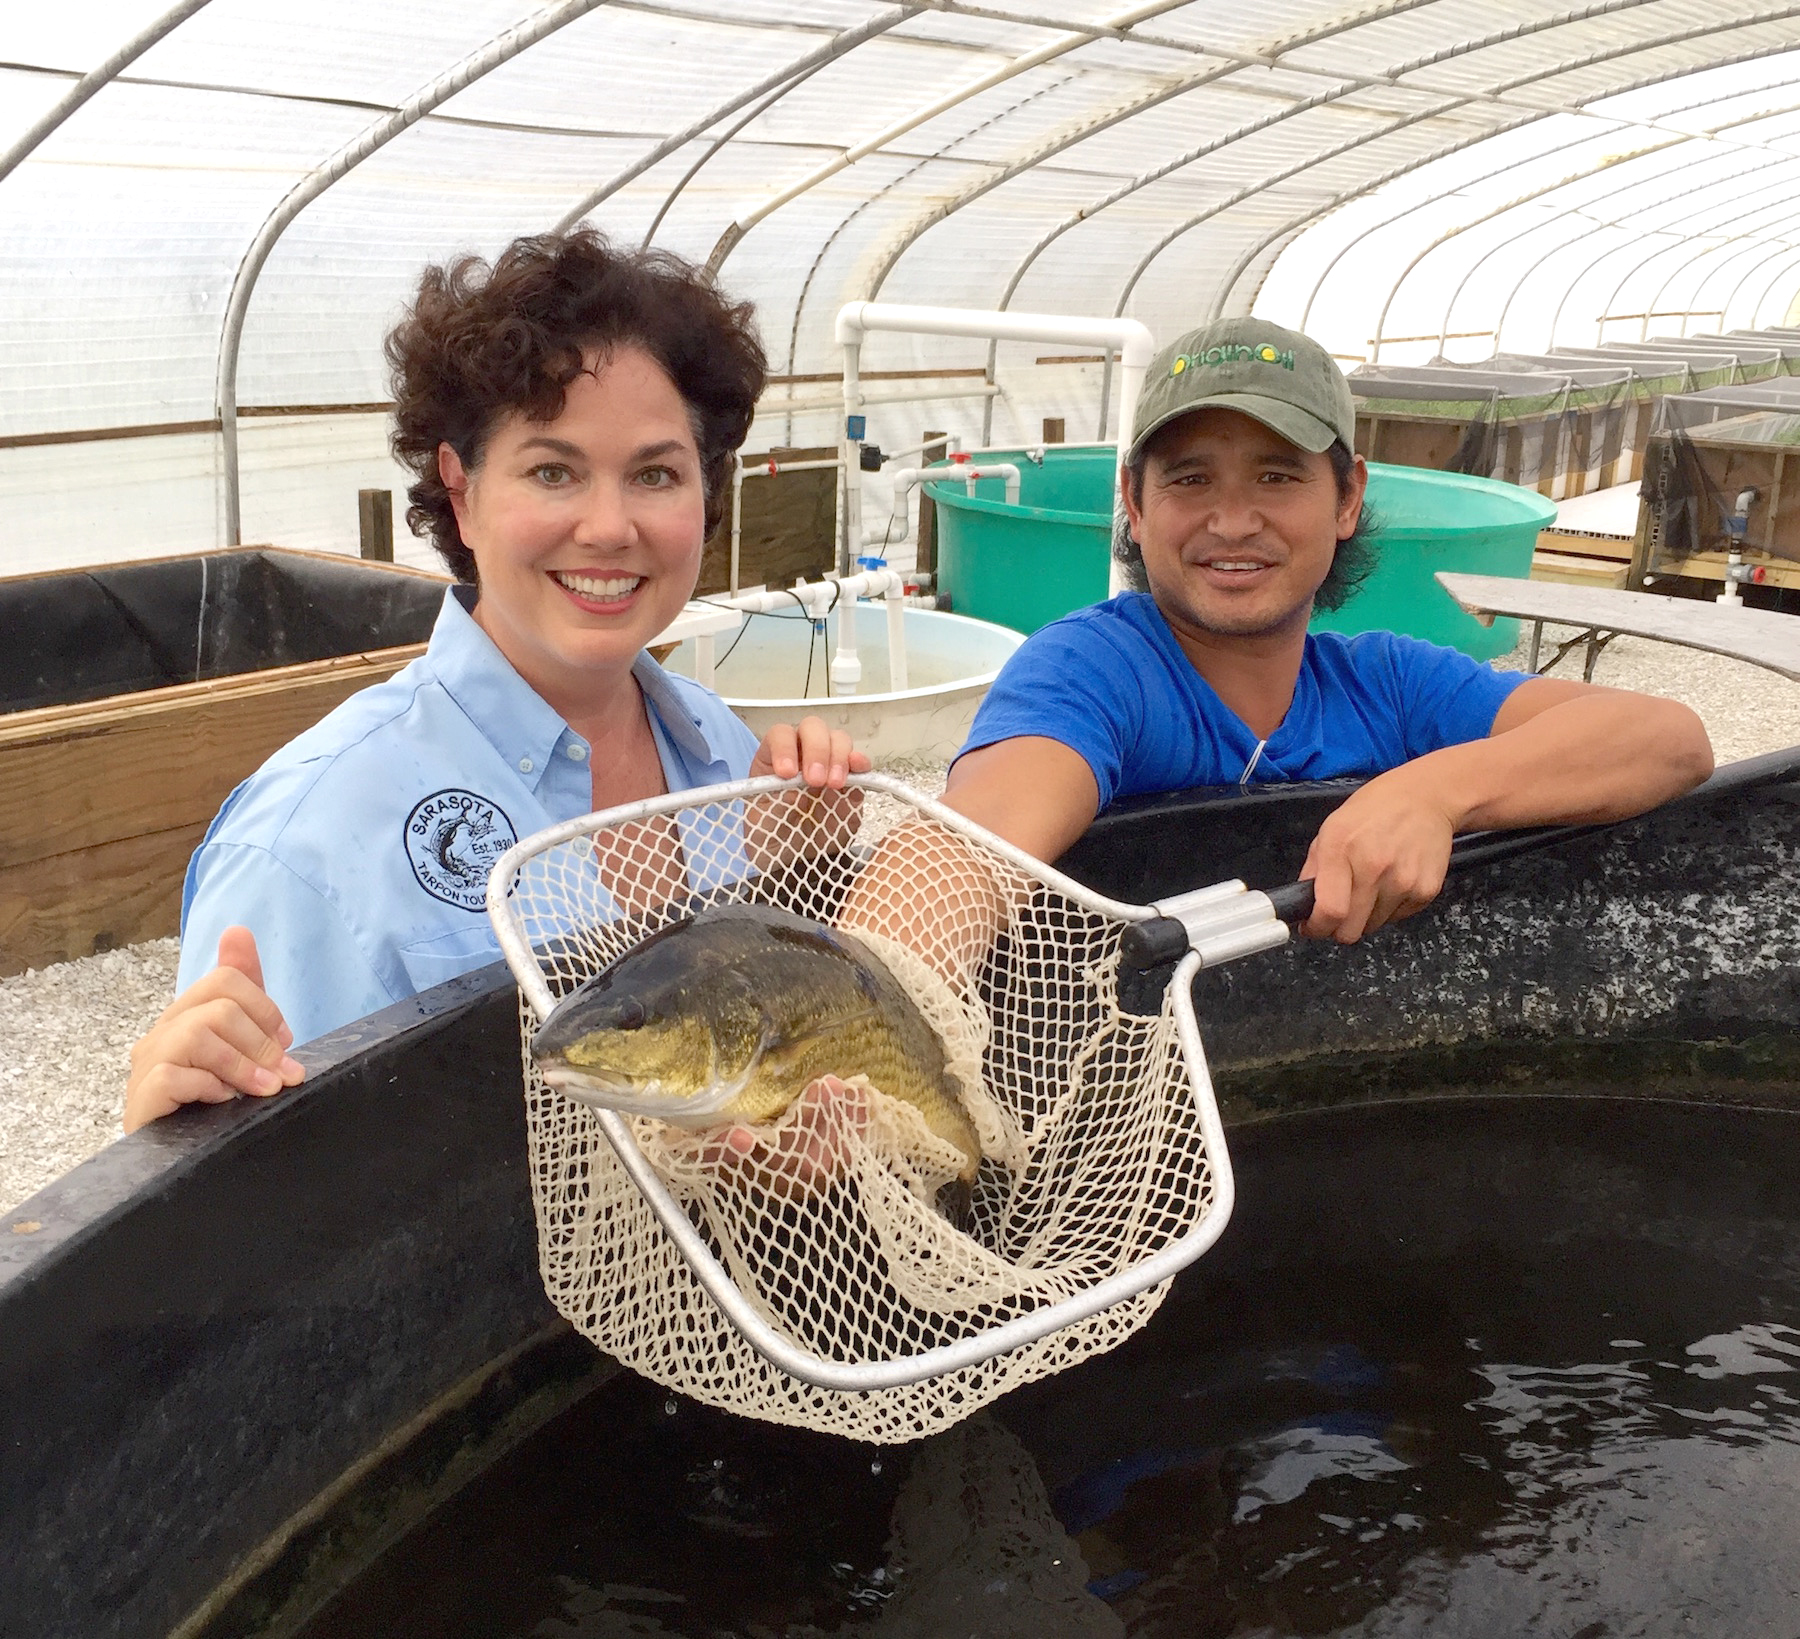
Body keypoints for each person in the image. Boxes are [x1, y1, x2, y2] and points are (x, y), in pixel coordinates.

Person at [124, 231, 866, 1132]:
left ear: (705, 495)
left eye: (656, 474)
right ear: (462, 490)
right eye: (552, 470)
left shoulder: (734, 757)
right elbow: (268, 1203)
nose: (608, 526)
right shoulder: (306, 844)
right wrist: (164, 1133)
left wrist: (810, 875)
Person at [844, 318, 1713, 963]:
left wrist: (1435, 793)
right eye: (1190, 479)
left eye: (1277, 475)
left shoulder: (1389, 682)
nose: (1232, 521)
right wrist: (866, 1007)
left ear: (1344, 499)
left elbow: (1668, 740)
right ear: (1136, 506)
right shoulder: (1097, 670)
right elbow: (968, 847)